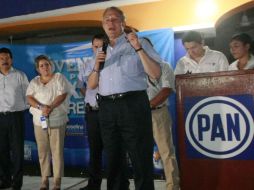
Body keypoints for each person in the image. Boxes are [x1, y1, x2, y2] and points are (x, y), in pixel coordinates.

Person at [87, 6, 162, 190]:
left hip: (133, 105)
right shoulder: (100, 49)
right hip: (106, 108)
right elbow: (91, 84)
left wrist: (138, 48)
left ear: (123, 23)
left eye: (114, 19)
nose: (110, 23)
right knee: (113, 158)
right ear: (103, 25)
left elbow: (155, 74)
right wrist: (97, 65)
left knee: (139, 156)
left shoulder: (138, 42)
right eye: (107, 20)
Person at [26, 55, 70, 190]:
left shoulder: (59, 78)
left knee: (57, 152)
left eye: (47, 64)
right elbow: (29, 97)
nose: (45, 67)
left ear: (51, 65)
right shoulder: (34, 82)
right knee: (43, 151)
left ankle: (57, 181)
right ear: (37, 69)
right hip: (39, 122)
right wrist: (41, 108)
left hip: (57, 120)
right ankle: (44, 179)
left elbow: (62, 95)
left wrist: (50, 107)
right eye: (42, 66)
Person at [77, 34, 104, 190]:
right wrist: (88, 97)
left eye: (101, 46)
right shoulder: (86, 64)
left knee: (114, 150)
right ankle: (93, 186)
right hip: (92, 113)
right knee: (94, 151)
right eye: (95, 46)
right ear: (91, 46)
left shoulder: (110, 62)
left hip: (108, 112)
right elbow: (81, 85)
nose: (98, 49)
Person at [147, 62, 180, 190]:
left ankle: (173, 186)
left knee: (166, 151)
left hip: (158, 112)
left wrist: (146, 106)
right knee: (140, 152)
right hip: (137, 115)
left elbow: (167, 90)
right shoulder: (134, 66)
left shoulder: (163, 66)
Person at [0, 47, 29, 190]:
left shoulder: (20, 75)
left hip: (16, 117)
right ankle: (4, 180)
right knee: (1, 150)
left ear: (11, 60)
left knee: (17, 150)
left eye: (7, 58)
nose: (4, 61)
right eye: (1, 58)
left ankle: (17, 182)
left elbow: (28, 97)